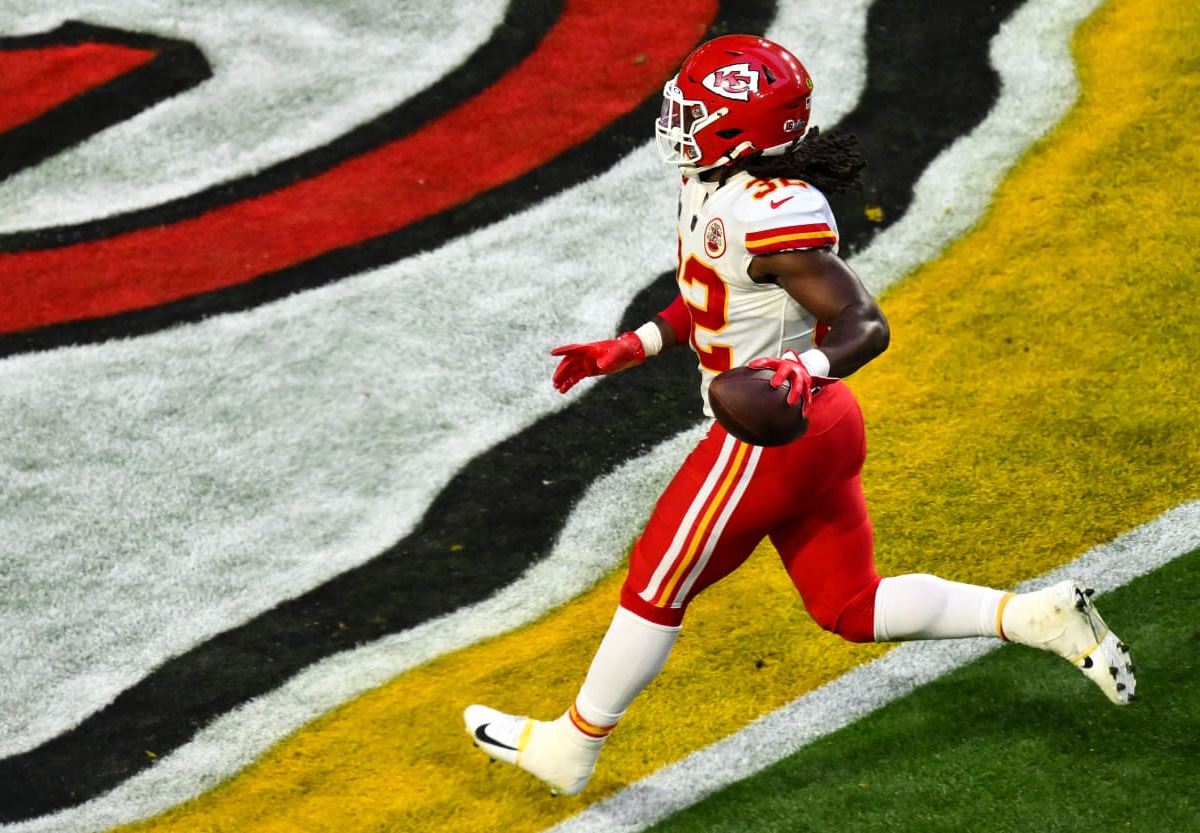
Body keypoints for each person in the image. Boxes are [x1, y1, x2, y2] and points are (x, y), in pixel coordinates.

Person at [462, 34, 1135, 796]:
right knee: (850, 604)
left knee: (655, 580)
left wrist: (800, 365)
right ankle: (1033, 616)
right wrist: (637, 342)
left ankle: (571, 745)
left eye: (696, 108)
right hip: (824, 424)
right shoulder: (720, 187)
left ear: (737, 126)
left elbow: (863, 323)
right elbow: (714, 290)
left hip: (769, 434)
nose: (677, 117)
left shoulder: (769, 212)